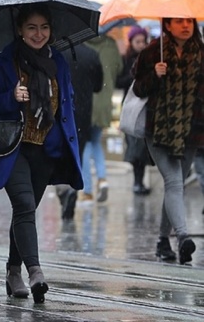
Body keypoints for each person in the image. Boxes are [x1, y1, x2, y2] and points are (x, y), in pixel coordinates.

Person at [0, 3, 83, 303]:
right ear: (21, 31)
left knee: (25, 212)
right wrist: (11, 97)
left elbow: (66, 102)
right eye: (32, 28)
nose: (39, 34)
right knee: (23, 205)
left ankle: (13, 271)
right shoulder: (4, 62)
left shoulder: (58, 61)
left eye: (44, 28)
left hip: (46, 150)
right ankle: (35, 271)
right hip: (13, 147)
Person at [133, 17, 203, 265]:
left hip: (191, 130)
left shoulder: (200, 52)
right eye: (179, 22)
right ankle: (183, 237)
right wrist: (154, 74)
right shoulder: (154, 50)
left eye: (189, 22)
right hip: (159, 129)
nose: (186, 26)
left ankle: (163, 241)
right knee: (174, 181)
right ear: (167, 25)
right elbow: (138, 89)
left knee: (177, 185)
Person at [56, 43, 103, 219]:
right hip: (83, 114)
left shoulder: (56, 54)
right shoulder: (92, 55)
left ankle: (63, 191)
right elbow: (98, 86)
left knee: (59, 155)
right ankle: (73, 190)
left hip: (61, 112)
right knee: (77, 155)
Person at [80, 33, 123, 203]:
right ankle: (102, 178)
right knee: (96, 142)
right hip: (105, 101)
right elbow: (119, 68)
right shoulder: (111, 44)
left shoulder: (82, 43)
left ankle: (88, 191)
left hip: (86, 100)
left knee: (84, 145)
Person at [116, 26, 152, 195]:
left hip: (145, 107)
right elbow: (118, 82)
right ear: (131, 42)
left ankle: (139, 181)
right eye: (137, 41)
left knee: (142, 147)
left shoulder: (150, 59)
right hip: (130, 108)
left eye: (143, 41)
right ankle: (137, 181)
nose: (141, 44)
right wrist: (133, 76)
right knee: (134, 146)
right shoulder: (125, 59)